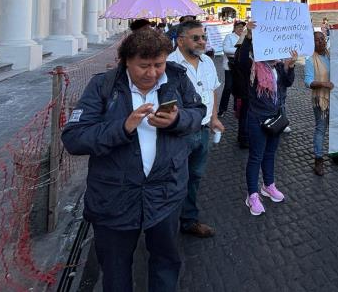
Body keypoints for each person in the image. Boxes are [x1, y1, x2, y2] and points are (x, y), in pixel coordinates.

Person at [62, 28, 205, 292]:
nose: (152, 73)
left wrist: (177, 119)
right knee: (115, 271)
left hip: (165, 194)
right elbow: (73, 137)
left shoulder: (177, 79)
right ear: (126, 61)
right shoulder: (102, 86)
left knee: (166, 262)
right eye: (144, 66)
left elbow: (198, 113)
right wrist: (122, 127)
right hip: (113, 199)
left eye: (158, 64)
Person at [167, 20, 224, 238]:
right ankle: (167, 223)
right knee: (174, 178)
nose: (202, 41)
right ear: (181, 41)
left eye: (203, 37)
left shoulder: (208, 61)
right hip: (179, 134)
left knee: (195, 177)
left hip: (202, 132)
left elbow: (213, 92)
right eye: (196, 37)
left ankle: (188, 220)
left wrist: (214, 118)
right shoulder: (169, 64)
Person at [235, 21, 296, 216]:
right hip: (257, 119)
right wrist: (249, 37)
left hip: (275, 118)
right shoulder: (253, 67)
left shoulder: (277, 65)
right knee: (256, 157)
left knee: (270, 154)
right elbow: (241, 60)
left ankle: (268, 185)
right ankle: (252, 194)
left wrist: (290, 66)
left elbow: (288, 82)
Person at [305, 31, 338, 175]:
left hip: (336, 99)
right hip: (321, 99)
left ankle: (336, 154)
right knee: (321, 129)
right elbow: (308, 82)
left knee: (336, 127)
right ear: (313, 43)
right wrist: (324, 84)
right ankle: (318, 159)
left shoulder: (331, 56)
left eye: (322, 38)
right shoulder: (310, 60)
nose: (321, 41)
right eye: (317, 40)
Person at [218, 20, 245, 117]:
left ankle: (236, 108)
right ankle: (222, 109)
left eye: (242, 27)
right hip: (229, 66)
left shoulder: (245, 38)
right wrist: (240, 51)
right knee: (228, 87)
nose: (241, 28)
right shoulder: (229, 37)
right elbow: (226, 50)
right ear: (234, 28)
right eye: (239, 27)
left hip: (240, 67)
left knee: (238, 87)